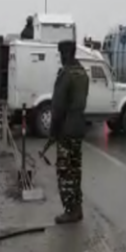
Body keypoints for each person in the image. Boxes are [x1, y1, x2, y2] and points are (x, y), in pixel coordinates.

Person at [50, 40, 89, 224]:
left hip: (66, 128)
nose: (60, 57)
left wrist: (53, 131)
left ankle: (70, 210)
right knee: (76, 169)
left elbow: (58, 107)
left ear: (65, 54)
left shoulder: (65, 75)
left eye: (61, 54)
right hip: (79, 126)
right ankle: (78, 207)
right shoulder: (82, 73)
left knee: (65, 171)